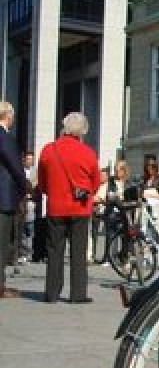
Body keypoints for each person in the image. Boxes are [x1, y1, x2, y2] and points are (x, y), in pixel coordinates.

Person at [36, 112, 101, 303]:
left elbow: (42, 183)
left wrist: (52, 192)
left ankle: (52, 293)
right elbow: (95, 183)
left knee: (54, 250)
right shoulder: (88, 153)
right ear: (82, 131)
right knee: (78, 251)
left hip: (56, 207)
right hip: (80, 208)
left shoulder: (48, 150)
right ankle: (77, 294)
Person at [0, 101, 28, 298]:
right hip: (4, 198)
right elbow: (15, 167)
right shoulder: (4, 137)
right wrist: (25, 185)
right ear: (8, 116)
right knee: (2, 244)